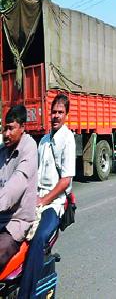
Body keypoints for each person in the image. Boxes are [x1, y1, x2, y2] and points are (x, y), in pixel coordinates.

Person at [18, 93, 76, 298]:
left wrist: (43, 200)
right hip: (35, 199)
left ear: (66, 115)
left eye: (61, 112)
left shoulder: (67, 140)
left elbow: (66, 181)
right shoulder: (43, 140)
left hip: (54, 204)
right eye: (54, 112)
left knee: (39, 238)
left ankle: (27, 293)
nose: (56, 116)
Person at [0, 105, 38, 272]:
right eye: (4, 129)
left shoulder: (29, 148)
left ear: (22, 127)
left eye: (10, 128)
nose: (6, 134)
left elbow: (17, 183)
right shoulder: (2, 151)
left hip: (16, 222)